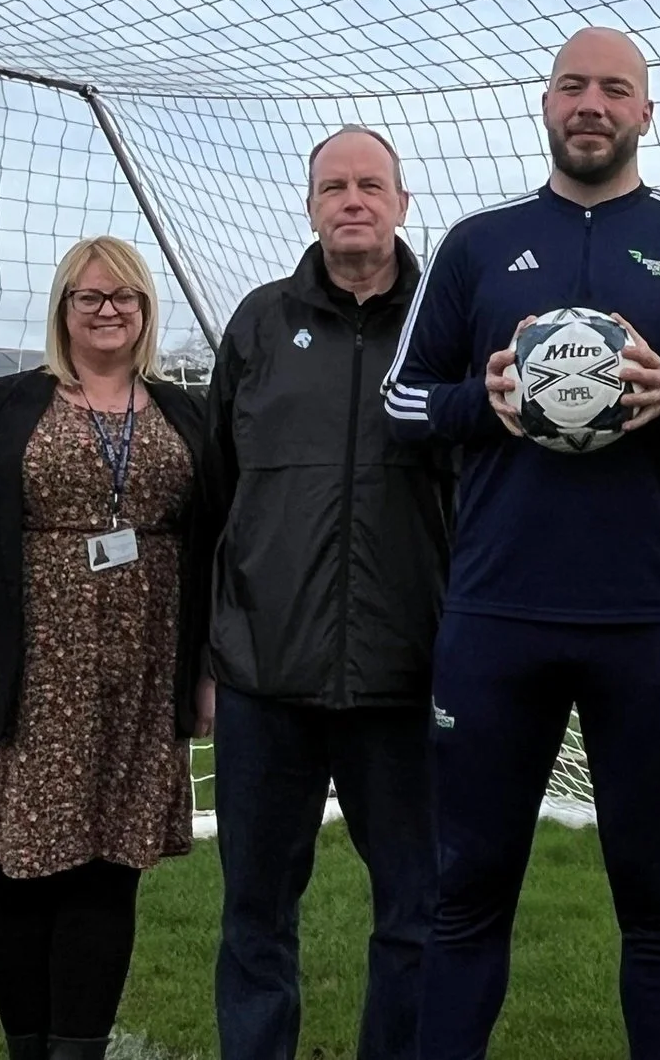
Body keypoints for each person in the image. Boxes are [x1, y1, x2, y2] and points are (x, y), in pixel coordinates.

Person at [382, 25, 660, 1060]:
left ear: (646, 112)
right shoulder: (478, 243)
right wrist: (489, 400)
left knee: (659, 906)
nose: (592, 103)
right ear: (546, 105)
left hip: (651, 617)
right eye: (573, 86)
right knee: (466, 896)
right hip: (497, 616)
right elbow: (402, 401)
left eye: (615, 89)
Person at [0, 234, 218, 1060]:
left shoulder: (185, 413)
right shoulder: (7, 404)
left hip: (142, 673)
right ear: (64, 309)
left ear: (145, 308)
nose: (108, 309)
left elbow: (215, 546)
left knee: (111, 875)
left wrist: (206, 672)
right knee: (23, 876)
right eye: (90, 296)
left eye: (124, 296)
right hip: (30, 673)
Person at [204, 126, 449, 1060]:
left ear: (401, 203)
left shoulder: (446, 324)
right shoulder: (259, 324)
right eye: (334, 186)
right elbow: (218, 496)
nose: (353, 199)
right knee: (255, 913)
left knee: (418, 911)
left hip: (407, 678)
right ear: (310, 206)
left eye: (370, 185)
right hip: (265, 677)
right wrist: (210, 653)